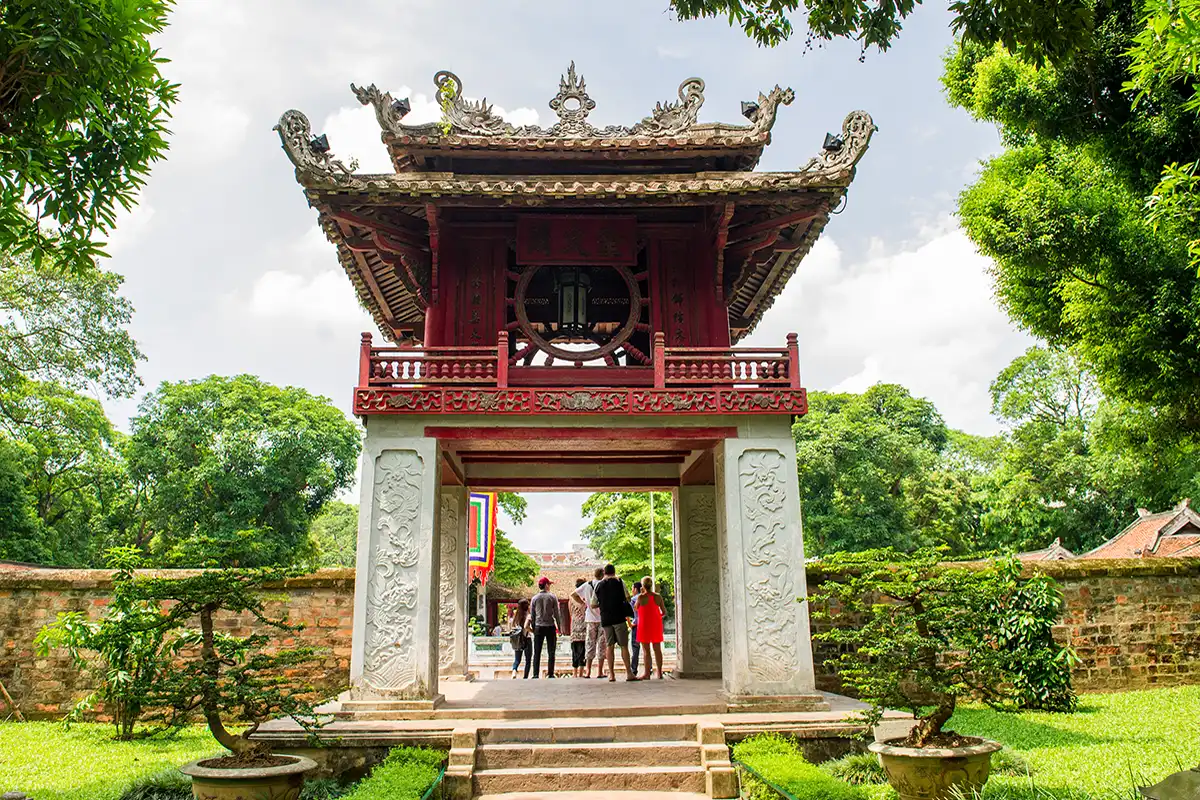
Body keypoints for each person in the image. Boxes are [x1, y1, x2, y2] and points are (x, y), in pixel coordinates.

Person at [592, 563, 639, 682]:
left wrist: (604, 604)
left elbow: (593, 604)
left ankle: (612, 675)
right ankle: (629, 673)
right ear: (614, 572)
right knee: (624, 646)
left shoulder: (598, 585)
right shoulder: (620, 582)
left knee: (609, 646)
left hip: (606, 619)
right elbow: (628, 597)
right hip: (619, 618)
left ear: (605, 573)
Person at [635, 576, 666, 680]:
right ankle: (660, 673)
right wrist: (657, 617)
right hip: (656, 624)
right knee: (657, 649)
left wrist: (641, 593)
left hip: (644, 625)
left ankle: (647, 673)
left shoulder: (640, 597)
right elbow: (664, 612)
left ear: (642, 586)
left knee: (646, 651)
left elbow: (636, 608)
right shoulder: (658, 597)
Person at [530, 576, 561, 679]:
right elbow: (557, 614)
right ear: (546, 585)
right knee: (551, 651)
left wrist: (534, 628)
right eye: (549, 584)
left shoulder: (534, 598)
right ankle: (550, 673)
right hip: (550, 626)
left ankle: (535, 674)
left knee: (537, 652)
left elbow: (532, 615)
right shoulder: (552, 597)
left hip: (538, 626)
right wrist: (559, 627)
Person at [578, 566, 606, 678]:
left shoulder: (587, 585)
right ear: (603, 574)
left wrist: (584, 603)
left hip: (590, 618)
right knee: (602, 645)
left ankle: (588, 671)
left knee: (590, 643)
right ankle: (600, 671)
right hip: (603, 618)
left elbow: (573, 594)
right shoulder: (604, 585)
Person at [569, 578, 588, 678]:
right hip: (584, 625)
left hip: (574, 626)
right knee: (583, 649)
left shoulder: (571, 599)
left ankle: (575, 673)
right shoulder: (585, 598)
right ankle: (581, 672)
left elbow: (570, 612)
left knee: (575, 649)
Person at [509, 599, 532, 679]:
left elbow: (512, 627)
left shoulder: (516, 616)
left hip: (518, 638)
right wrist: (532, 631)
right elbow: (526, 627)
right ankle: (525, 676)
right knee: (528, 660)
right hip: (527, 638)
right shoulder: (528, 615)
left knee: (517, 659)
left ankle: (514, 670)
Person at [629, 582, 642, 677]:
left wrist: (630, 623)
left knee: (635, 648)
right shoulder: (646, 598)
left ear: (636, 589)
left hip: (636, 625)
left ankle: (634, 669)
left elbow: (629, 612)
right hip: (645, 624)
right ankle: (649, 668)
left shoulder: (633, 599)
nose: (632, 590)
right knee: (646, 648)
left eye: (632, 588)